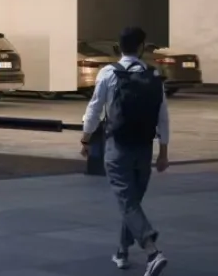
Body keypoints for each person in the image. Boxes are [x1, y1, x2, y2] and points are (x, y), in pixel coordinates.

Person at [81, 25, 170, 275]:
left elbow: (95, 109)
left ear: (119, 47)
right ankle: (122, 250)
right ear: (142, 47)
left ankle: (152, 251)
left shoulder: (108, 73)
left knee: (127, 201)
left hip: (117, 147)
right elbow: (163, 117)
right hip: (144, 147)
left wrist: (85, 138)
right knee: (132, 202)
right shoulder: (153, 75)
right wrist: (163, 151)